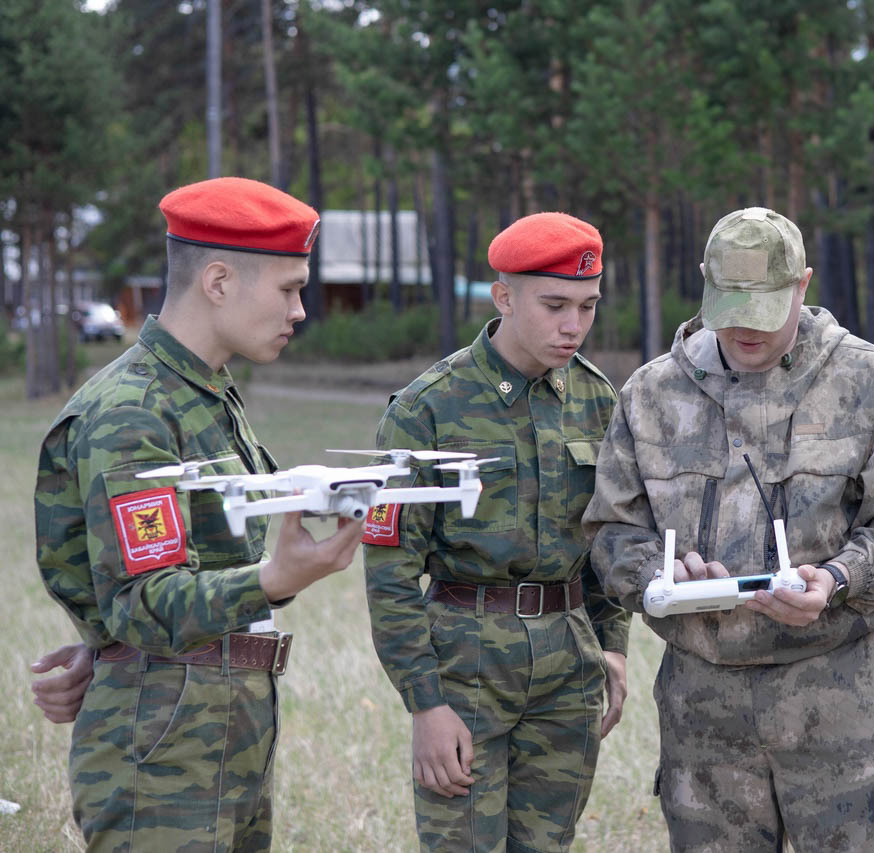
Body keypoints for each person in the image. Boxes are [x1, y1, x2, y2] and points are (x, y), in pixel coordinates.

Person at [583, 207, 874, 851]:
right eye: (730, 303)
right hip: (704, 719)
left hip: (842, 709)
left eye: (766, 306)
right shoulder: (650, 395)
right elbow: (612, 534)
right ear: (703, 280)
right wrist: (658, 577)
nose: (746, 327)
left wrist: (837, 577)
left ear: (803, 285)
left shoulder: (870, 381)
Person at [32, 176, 366, 851]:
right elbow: (141, 599)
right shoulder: (133, 409)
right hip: (162, 746)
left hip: (217, 724)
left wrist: (106, 647)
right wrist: (274, 577)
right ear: (218, 280)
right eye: (288, 288)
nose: (300, 309)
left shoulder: (206, 395)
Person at [362, 212, 630, 852]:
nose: (574, 326)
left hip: (569, 660)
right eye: (555, 304)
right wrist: (425, 704)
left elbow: (612, 539)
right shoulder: (428, 407)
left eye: (588, 306)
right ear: (504, 296)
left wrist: (613, 646)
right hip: (465, 661)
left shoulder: (598, 401)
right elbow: (390, 572)